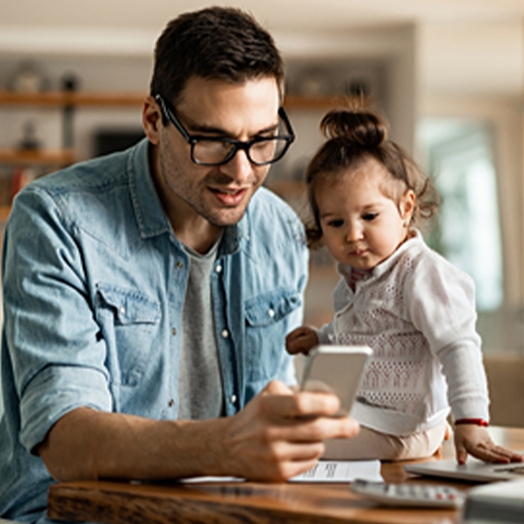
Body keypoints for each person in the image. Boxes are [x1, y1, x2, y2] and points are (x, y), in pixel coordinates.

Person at [0, 7, 358, 523]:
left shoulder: (280, 229)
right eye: (212, 139)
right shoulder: (55, 217)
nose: (241, 171)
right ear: (153, 120)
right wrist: (229, 445)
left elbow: (266, 421)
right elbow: (68, 443)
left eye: (262, 141)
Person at [286, 103, 523, 465]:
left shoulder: (421, 274)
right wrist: (323, 338)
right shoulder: (355, 279)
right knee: (286, 410)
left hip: (400, 427)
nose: (353, 234)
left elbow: (458, 347)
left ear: (406, 207)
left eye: (369, 216)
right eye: (335, 223)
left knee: (298, 443)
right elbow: (364, 335)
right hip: (373, 413)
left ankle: (428, 433)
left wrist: (470, 420)